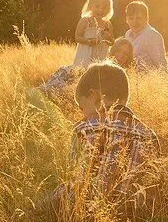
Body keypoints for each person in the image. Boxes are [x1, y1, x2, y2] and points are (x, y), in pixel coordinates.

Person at [66, 62, 160, 208]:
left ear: (93, 95)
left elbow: (75, 181)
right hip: (134, 219)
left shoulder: (83, 128)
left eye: (82, 107)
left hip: (86, 211)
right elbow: (153, 186)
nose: (82, 114)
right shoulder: (149, 135)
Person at [38, 37, 134, 97]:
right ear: (113, 50)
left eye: (126, 54)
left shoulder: (122, 75)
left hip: (78, 82)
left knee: (53, 91)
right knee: (45, 89)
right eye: (119, 51)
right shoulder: (102, 59)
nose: (121, 56)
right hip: (71, 71)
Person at [124, 1, 168, 72]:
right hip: (133, 79)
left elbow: (161, 64)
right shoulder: (128, 34)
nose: (135, 22)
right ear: (126, 20)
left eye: (139, 18)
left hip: (149, 80)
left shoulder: (152, 36)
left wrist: (167, 81)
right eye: (131, 18)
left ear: (147, 19)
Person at [74, 0, 115, 66]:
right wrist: (88, 41)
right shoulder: (85, 21)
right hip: (86, 55)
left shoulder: (108, 24)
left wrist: (108, 37)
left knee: (99, 74)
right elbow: (77, 37)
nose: (101, 10)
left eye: (104, 7)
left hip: (101, 55)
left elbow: (112, 42)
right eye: (97, 6)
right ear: (90, 6)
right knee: (83, 72)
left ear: (109, 9)